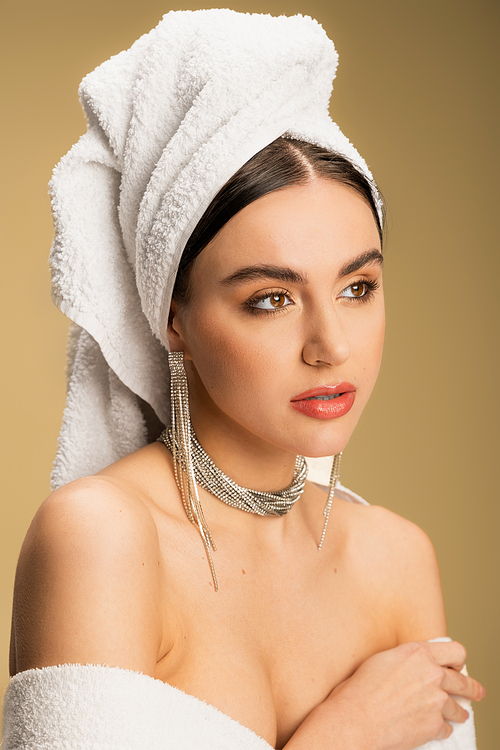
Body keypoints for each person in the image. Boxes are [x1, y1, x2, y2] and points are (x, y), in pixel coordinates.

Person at [3, 9, 484, 750]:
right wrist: (342, 736)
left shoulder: (396, 558)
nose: (330, 346)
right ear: (173, 318)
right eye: (271, 299)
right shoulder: (101, 539)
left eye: (357, 287)